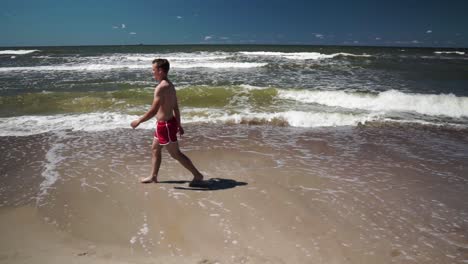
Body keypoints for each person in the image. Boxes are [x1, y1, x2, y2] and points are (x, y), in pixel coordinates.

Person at [131, 59, 205, 187]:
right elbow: (175, 107)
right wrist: (179, 124)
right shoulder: (170, 85)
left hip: (165, 126)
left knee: (175, 154)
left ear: (160, 70)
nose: (152, 73)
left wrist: (139, 120)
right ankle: (153, 177)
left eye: (153, 70)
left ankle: (197, 175)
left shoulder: (161, 88)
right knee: (155, 149)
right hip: (165, 125)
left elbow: (154, 110)